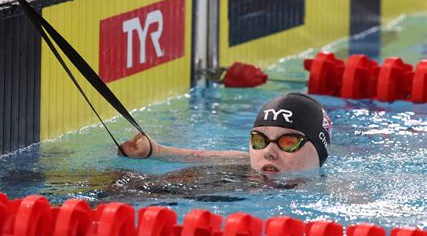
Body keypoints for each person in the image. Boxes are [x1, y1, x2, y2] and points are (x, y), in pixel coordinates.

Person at [119, 93, 331, 174]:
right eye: (260, 140)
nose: (268, 152)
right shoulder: (241, 165)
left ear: (319, 150)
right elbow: (199, 157)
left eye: (288, 142)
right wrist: (154, 150)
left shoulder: (333, 192)